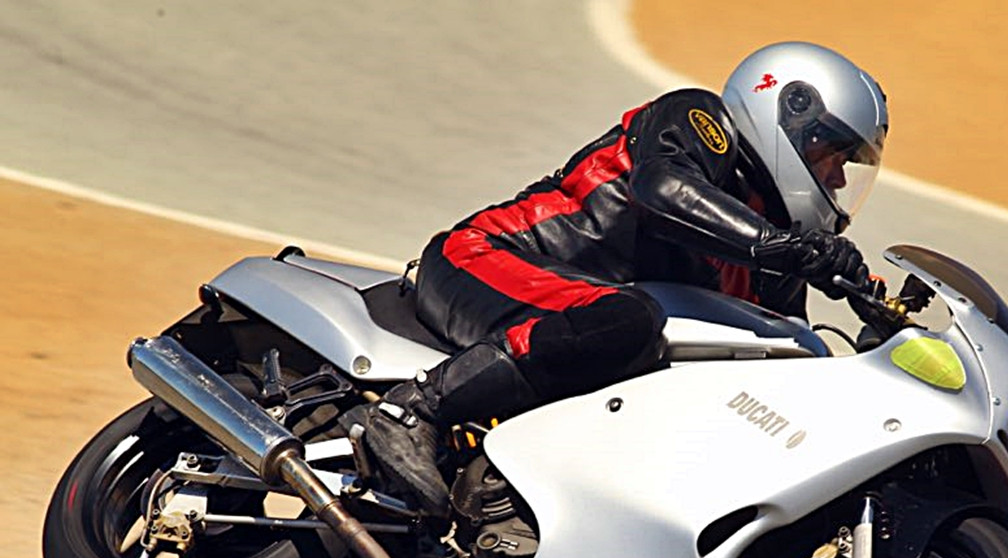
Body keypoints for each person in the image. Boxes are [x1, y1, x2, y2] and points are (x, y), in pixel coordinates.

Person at [364, 41, 889, 514]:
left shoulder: (770, 254)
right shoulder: (700, 122)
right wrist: (791, 250)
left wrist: (866, 347)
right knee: (627, 320)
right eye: (832, 154)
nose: (840, 178)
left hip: (579, 326)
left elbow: (786, 362)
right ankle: (413, 411)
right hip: (486, 259)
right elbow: (663, 190)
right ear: (790, 121)